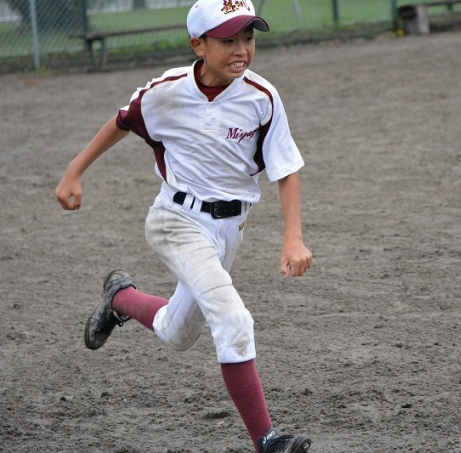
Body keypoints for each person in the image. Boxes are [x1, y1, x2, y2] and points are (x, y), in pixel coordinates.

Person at [54, 1, 313, 451]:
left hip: (229, 230)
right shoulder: (167, 91)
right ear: (198, 45)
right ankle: (267, 441)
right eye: (227, 40)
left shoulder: (262, 97)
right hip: (175, 221)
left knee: (177, 333)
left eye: (248, 37)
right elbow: (122, 121)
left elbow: (285, 169)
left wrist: (293, 236)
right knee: (233, 320)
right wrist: (74, 171)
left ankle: (120, 298)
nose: (241, 49)